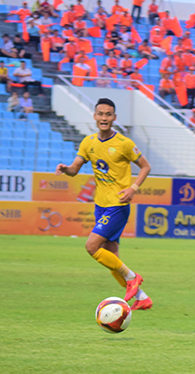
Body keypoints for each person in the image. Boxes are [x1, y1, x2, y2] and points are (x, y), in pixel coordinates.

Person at [55, 98, 153, 311]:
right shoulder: (88, 142)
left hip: (117, 206)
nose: (104, 118)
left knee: (91, 246)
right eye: (100, 114)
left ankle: (133, 278)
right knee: (112, 258)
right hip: (100, 206)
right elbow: (75, 169)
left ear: (114, 118)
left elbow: (145, 167)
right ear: (95, 116)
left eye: (108, 114)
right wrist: (65, 169)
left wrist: (133, 188)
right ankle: (143, 298)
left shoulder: (124, 144)